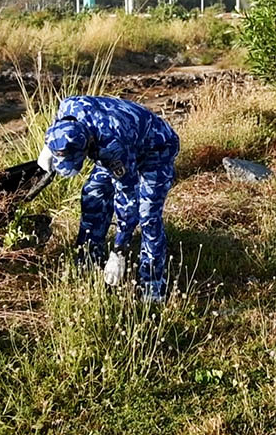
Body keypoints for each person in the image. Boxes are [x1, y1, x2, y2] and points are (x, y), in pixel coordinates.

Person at [38, 96, 179, 303]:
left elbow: (128, 200)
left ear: (85, 147)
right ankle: (88, 260)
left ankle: (153, 286)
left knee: (147, 214)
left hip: (156, 148)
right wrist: (48, 149)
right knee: (93, 193)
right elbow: (60, 125)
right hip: (118, 137)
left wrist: (119, 251)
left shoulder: (112, 146)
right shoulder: (68, 107)